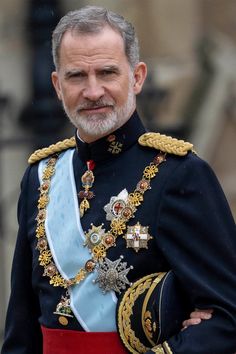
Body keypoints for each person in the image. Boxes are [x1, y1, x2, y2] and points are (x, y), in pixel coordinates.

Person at [1, 5, 236, 354]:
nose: (93, 91)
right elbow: (21, 326)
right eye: (77, 76)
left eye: (107, 73)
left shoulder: (179, 174)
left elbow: (227, 318)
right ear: (57, 85)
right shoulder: (40, 177)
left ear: (137, 77)